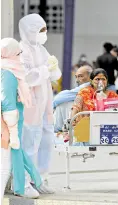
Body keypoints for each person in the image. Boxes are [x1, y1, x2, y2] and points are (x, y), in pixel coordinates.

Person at [19, 13, 61, 193]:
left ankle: (40, 179)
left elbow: (54, 74)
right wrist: (45, 69)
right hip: (32, 104)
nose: (45, 33)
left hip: (45, 103)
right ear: (30, 31)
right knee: (29, 143)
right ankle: (25, 182)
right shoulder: (22, 50)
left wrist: (53, 69)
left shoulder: (41, 49)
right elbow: (27, 77)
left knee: (46, 140)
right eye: (41, 30)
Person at [1, 38, 42, 199]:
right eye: (17, 53)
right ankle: (22, 186)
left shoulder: (8, 69)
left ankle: (26, 182)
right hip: (10, 120)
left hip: (11, 119)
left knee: (15, 153)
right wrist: (10, 127)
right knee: (15, 152)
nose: (19, 56)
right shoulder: (8, 72)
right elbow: (7, 101)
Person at [53, 65, 92, 132]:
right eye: (76, 77)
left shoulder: (87, 86)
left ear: (91, 77)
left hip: (86, 123)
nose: (77, 80)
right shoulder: (84, 88)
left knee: (63, 103)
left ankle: (57, 130)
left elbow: (57, 99)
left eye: (80, 76)